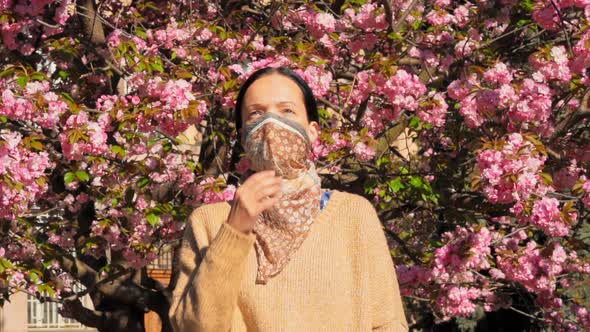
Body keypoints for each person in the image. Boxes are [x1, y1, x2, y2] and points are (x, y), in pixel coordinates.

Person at [169, 66, 408, 331]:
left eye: (287, 111)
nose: (271, 124)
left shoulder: (354, 215)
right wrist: (234, 231)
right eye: (256, 113)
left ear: (313, 130)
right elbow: (194, 327)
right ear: (242, 136)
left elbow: (388, 322)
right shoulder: (209, 222)